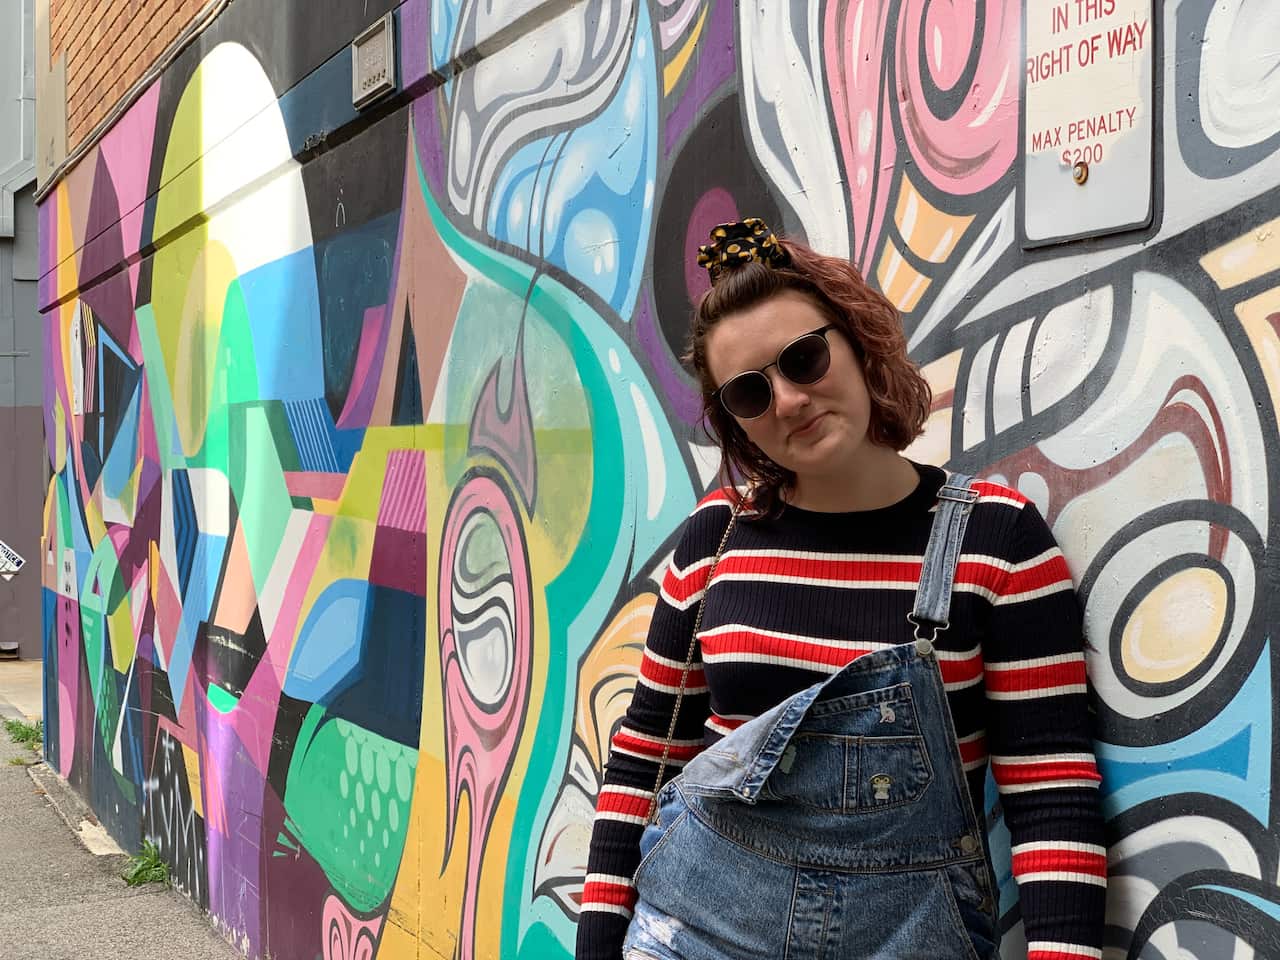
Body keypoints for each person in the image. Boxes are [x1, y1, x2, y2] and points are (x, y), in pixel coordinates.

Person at [575, 219, 1106, 959]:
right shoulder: (715, 541)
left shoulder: (997, 541)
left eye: (804, 358)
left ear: (857, 342)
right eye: (751, 393)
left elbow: (1051, 789)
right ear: (736, 425)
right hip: (691, 936)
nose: (789, 400)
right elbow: (644, 756)